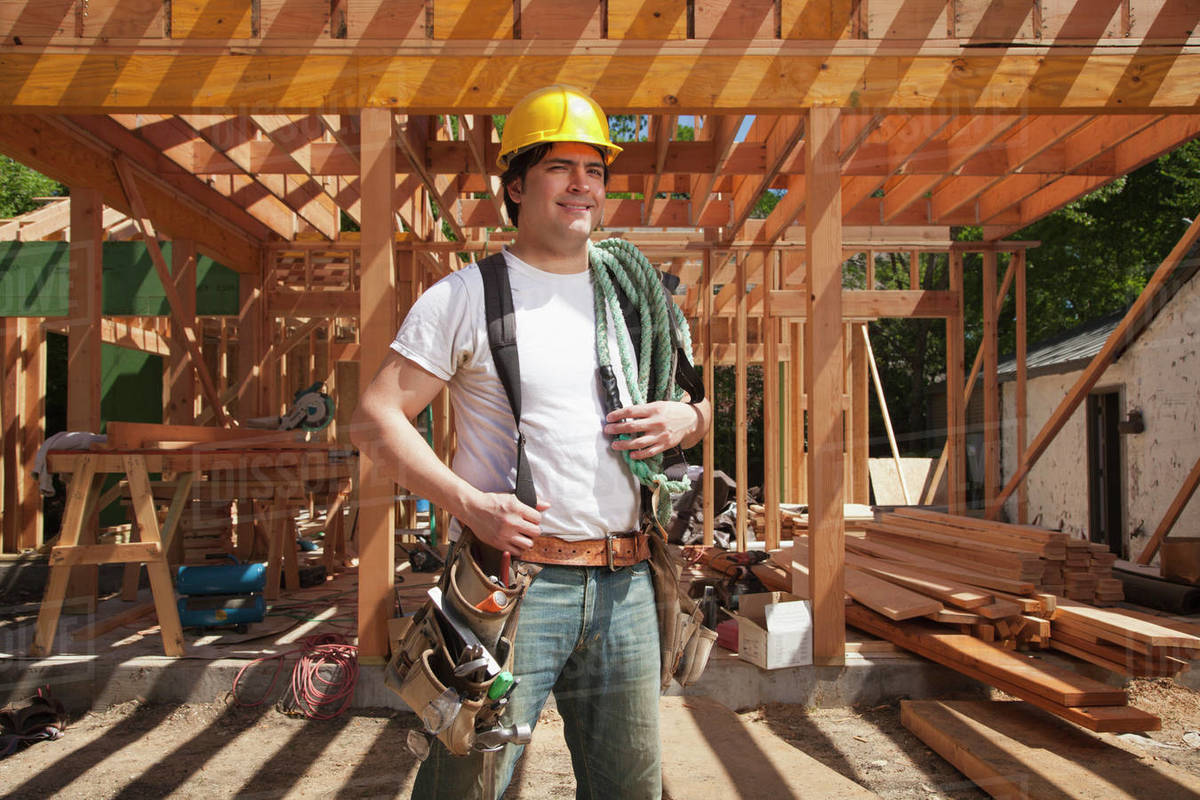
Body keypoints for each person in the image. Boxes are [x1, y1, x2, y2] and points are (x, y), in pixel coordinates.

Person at [352, 84, 712, 799]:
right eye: (560, 169)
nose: (583, 185)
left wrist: (689, 421)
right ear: (516, 187)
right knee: (469, 782)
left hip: (628, 585)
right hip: (514, 587)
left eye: (596, 171)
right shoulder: (466, 297)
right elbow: (375, 418)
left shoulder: (635, 297)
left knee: (629, 787)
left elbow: (700, 400)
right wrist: (470, 504)